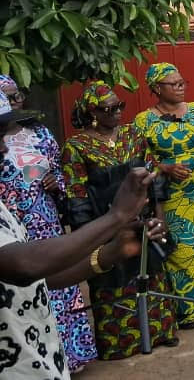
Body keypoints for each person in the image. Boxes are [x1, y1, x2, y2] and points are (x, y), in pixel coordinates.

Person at [0, 91, 168, 380]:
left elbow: (40, 279)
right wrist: (115, 217)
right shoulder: (77, 147)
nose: (4, 149)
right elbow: (23, 266)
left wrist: (113, 252)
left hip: (36, 361)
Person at [61, 82, 178, 359]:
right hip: (105, 225)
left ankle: (160, 332)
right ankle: (120, 343)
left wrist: (160, 219)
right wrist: (90, 237)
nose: (116, 112)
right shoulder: (76, 147)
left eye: (119, 106)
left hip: (143, 219)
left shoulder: (133, 135)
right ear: (92, 112)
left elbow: (154, 179)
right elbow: (77, 195)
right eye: (108, 108)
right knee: (112, 277)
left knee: (151, 271)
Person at [0, 75, 97, 372]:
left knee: (59, 280)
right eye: (8, 97)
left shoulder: (40, 134)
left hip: (45, 220)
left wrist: (57, 185)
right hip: (12, 229)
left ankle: (71, 356)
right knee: (26, 291)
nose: (16, 101)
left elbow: (60, 173)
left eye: (17, 95)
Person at [134, 63, 194, 329]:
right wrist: (164, 168)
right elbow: (139, 158)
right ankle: (186, 308)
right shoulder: (144, 121)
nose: (180, 87)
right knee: (181, 248)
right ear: (157, 88)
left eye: (182, 82)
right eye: (173, 83)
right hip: (172, 196)